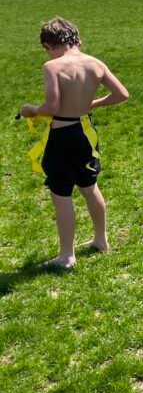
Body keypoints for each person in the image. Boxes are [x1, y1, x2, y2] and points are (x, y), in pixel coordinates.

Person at [19, 18, 129, 269]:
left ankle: (66, 256)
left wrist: (30, 110)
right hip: (87, 133)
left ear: (48, 45)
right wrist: (94, 103)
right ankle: (101, 240)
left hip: (63, 136)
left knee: (61, 194)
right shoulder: (95, 63)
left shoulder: (52, 66)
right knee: (89, 186)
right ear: (76, 39)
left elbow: (51, 107)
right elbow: (122, 94)